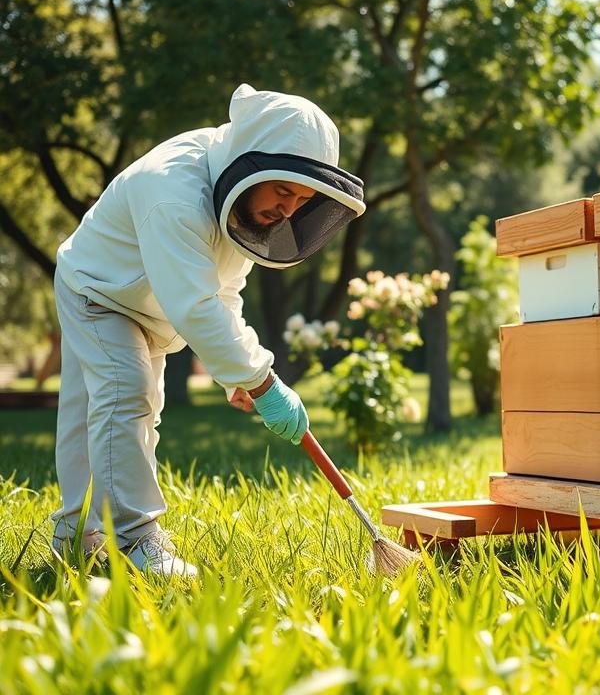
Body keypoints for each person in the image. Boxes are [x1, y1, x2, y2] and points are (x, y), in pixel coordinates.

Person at [51, 84, 365, 577]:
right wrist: (262, 380)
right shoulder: (173, 192)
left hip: (149, 305)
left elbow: (221, 293)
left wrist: (234, 376)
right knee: (125, 397)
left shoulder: (237, 203)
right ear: (251, 161)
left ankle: (78, 537)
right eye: (283, 191)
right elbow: (196, 306)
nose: (288, 210)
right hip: (99, 291)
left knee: (115, 412)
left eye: (302, 200)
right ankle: (134, 540)